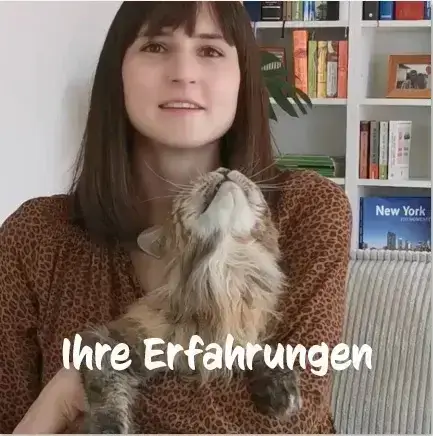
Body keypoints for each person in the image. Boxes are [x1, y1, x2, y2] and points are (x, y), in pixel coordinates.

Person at [0, 1, 352, 434]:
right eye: (155, 47)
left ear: (242, 79)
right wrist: (59, 397)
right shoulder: (37, 234)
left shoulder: (306, 210)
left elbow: (286, 419)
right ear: (116, 74)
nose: (184, 73)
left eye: (210, 51)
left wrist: (81, 384)